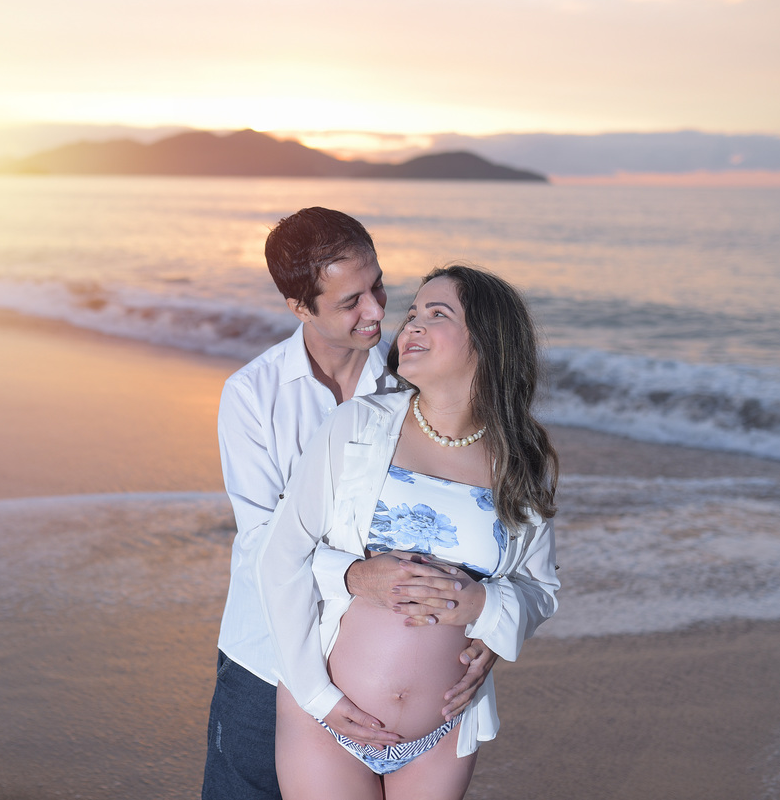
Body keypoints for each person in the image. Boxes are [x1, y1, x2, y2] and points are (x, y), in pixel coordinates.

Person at [202, 211, 501, 800]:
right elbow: (266, 539)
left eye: (379, 287)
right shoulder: (252, 396)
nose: (376, 312)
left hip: (382, 674)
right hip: (269, 657)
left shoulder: (414, 385)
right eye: (350, 301)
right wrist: (352, 573)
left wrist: (494, 620)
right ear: (300, 308)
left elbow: (473, 527)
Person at [256, 264, 560, 799]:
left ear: (488, 342)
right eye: (413, 313)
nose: (411, 326)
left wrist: (485, 609)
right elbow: (281, 556)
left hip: (445, 733)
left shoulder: (522, 462)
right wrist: (317, 693)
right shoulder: (357, 427)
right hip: (327, 715)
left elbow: (540, 590)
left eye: (436, 314)